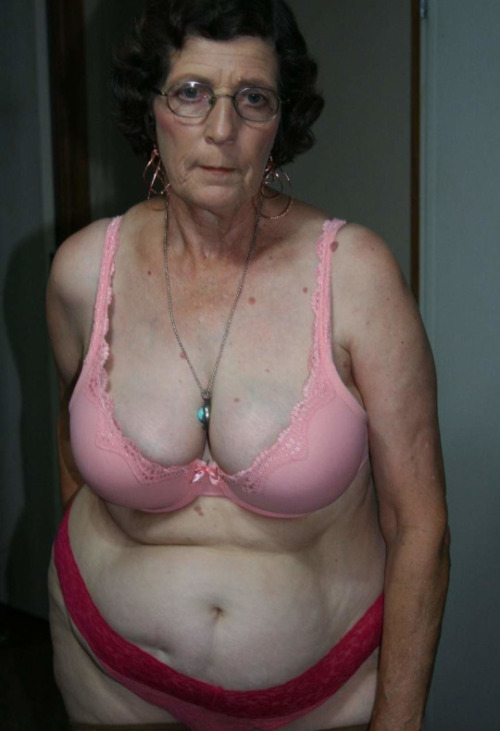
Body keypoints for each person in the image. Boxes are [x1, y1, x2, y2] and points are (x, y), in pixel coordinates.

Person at [46, 1, 450, 729]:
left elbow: (419, 523)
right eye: (191, 92)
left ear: (280, 122)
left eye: (253, 98)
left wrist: (400, 719)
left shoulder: (356, 276)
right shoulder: (81, 271)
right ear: (150, 107)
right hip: (107, 676)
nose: (222, 129)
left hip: (323, 699)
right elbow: (72, 444)